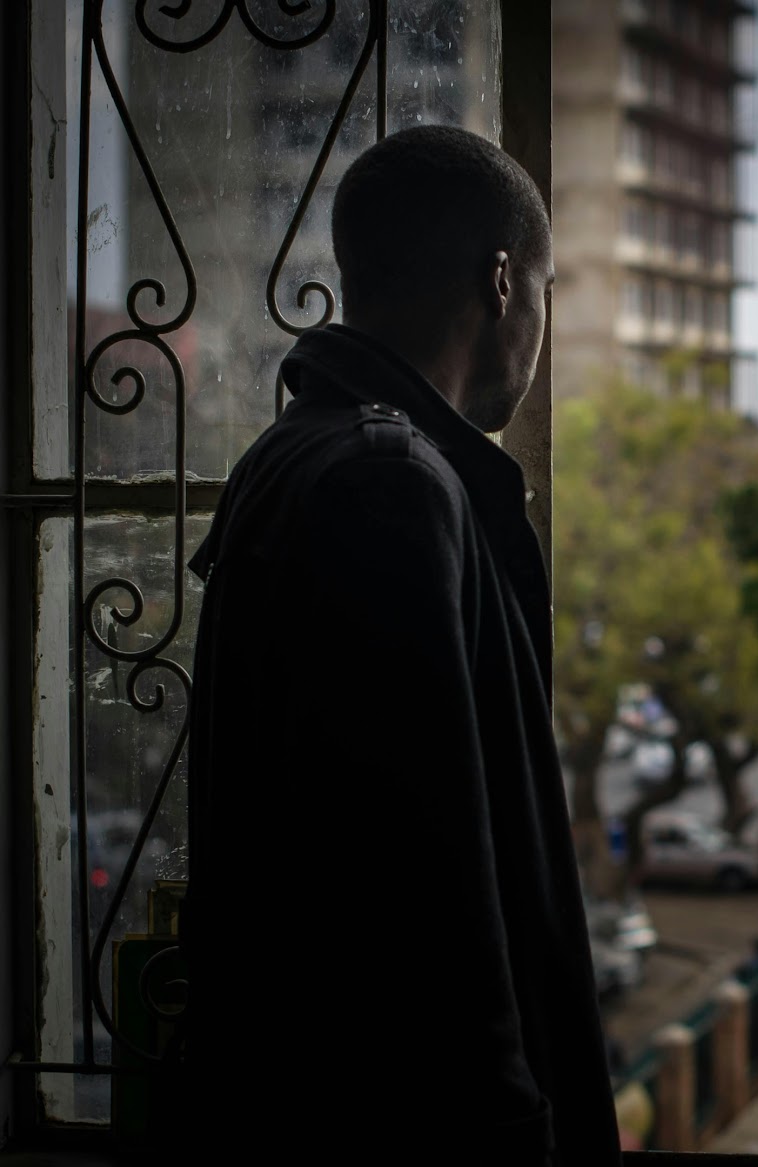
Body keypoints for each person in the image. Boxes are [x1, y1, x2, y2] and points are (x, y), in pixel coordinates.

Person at [181, 126, 621, 1165]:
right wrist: (508, 1125)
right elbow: (428, 885)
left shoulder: (298, 452)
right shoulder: (391, 485)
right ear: (505, 281)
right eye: (550, 292)